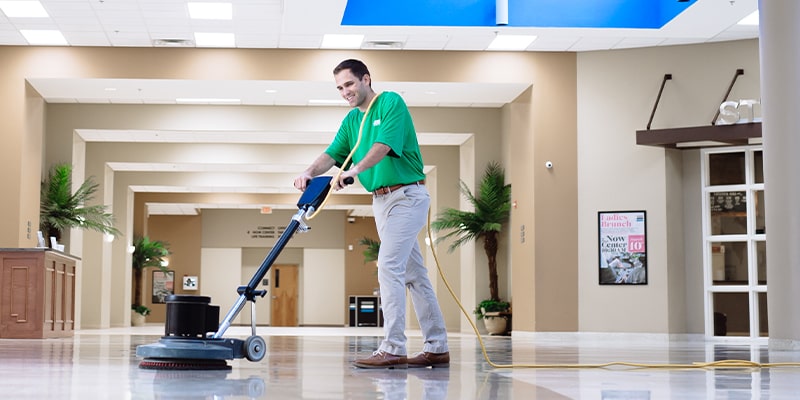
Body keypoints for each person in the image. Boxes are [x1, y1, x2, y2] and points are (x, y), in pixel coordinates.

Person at [293, 59, 449, 369]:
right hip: (381, 202)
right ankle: (437, 346)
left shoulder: (390, 102)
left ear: (366, 79)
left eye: (349, 84)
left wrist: (355, 171)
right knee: (415, 276)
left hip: (406, 195)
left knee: (389, 266)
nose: (345, 92)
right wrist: (310, 171)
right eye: (339, 88)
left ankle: (393, 346)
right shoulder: (352, 120)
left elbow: (383, 145)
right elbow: (333, 152)